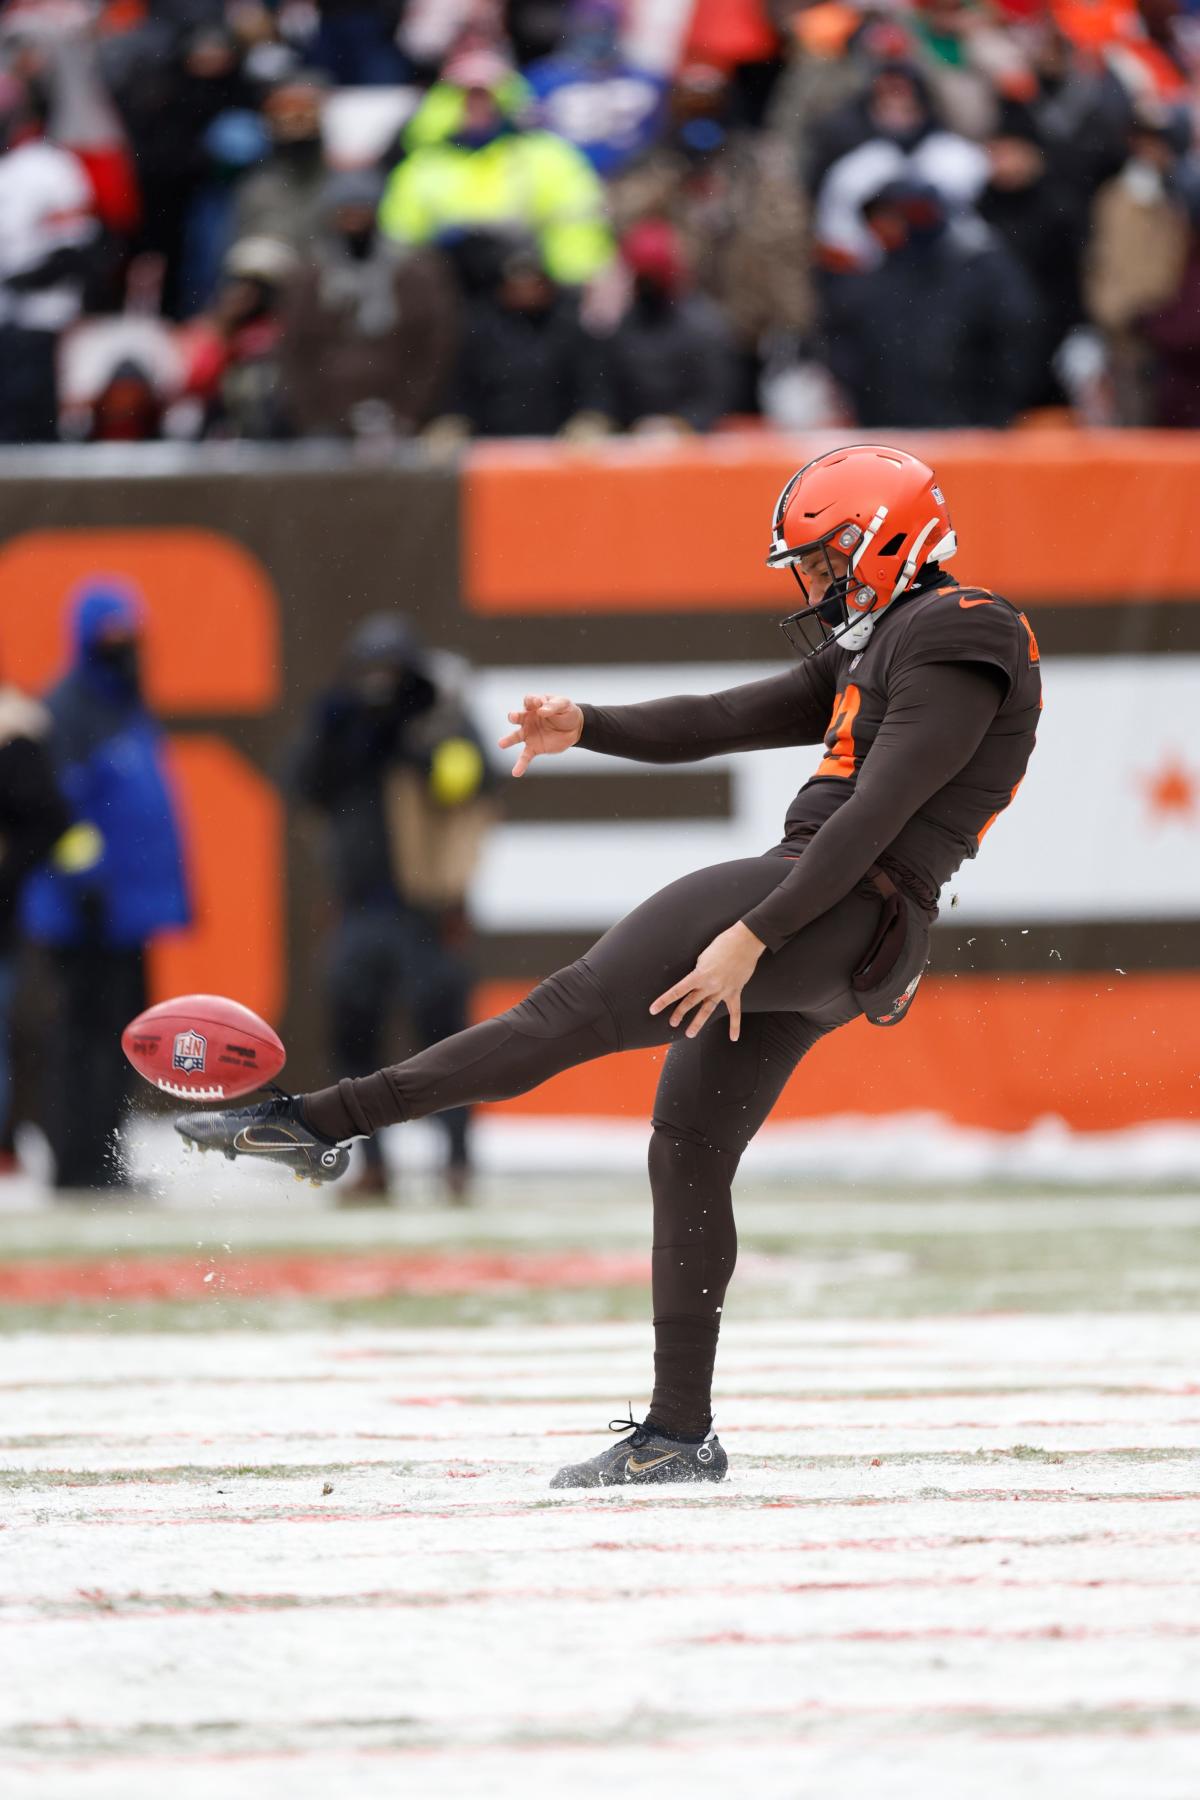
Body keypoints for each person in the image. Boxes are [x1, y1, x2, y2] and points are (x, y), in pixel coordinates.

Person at [177, 445, 1042, 1485]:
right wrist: (593, 726)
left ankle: (320, 1121)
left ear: (882, 539)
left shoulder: (963, 628)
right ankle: (679, 1434)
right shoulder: (894, 636)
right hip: (843, 924)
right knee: (684, 1147)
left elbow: (876, 813)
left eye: (821, 560)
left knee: (570, 1009)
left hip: (834, 901)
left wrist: (754, 932)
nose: (810, 585)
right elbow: (725, 717)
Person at [289, 615, 495, 1203]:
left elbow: (469, 784)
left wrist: (417, 742)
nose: (379, 686)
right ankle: (372, 1165)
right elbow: (304, 787)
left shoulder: (440, 717)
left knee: (447, 1043)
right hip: (358, 908)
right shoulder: (344, 725)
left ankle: (456, 1163)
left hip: (428, 909)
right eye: (369, 673)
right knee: (354, 1038)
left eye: (391, 674)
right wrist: (338, 733)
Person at [25, 584, 191, 1192]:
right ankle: (78, 1163)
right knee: (83, 1041)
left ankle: (105, 1157)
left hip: (126, 912)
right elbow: (56, 809)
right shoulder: (69, 710)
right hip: (85, 914)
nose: (125, 651)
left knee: (124, 1041)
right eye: (113, 640)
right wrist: (82, 883)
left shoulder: (126, 707)